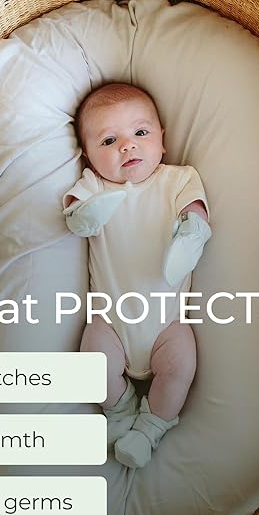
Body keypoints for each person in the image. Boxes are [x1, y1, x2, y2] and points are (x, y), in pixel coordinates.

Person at [63, 83, 212, 468]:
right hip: (109, 323)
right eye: (109, 140)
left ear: (162, 138)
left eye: (140, 133)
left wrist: (191, 231)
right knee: (92, 367)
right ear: (88, 155)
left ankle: (151, 428)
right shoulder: (95, 185)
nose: (127, 146)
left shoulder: (178, 179)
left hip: (168, 323)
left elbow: (196, 211)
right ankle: (119, 408)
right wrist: (85, 215)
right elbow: (74, 212)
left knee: (180, 367)